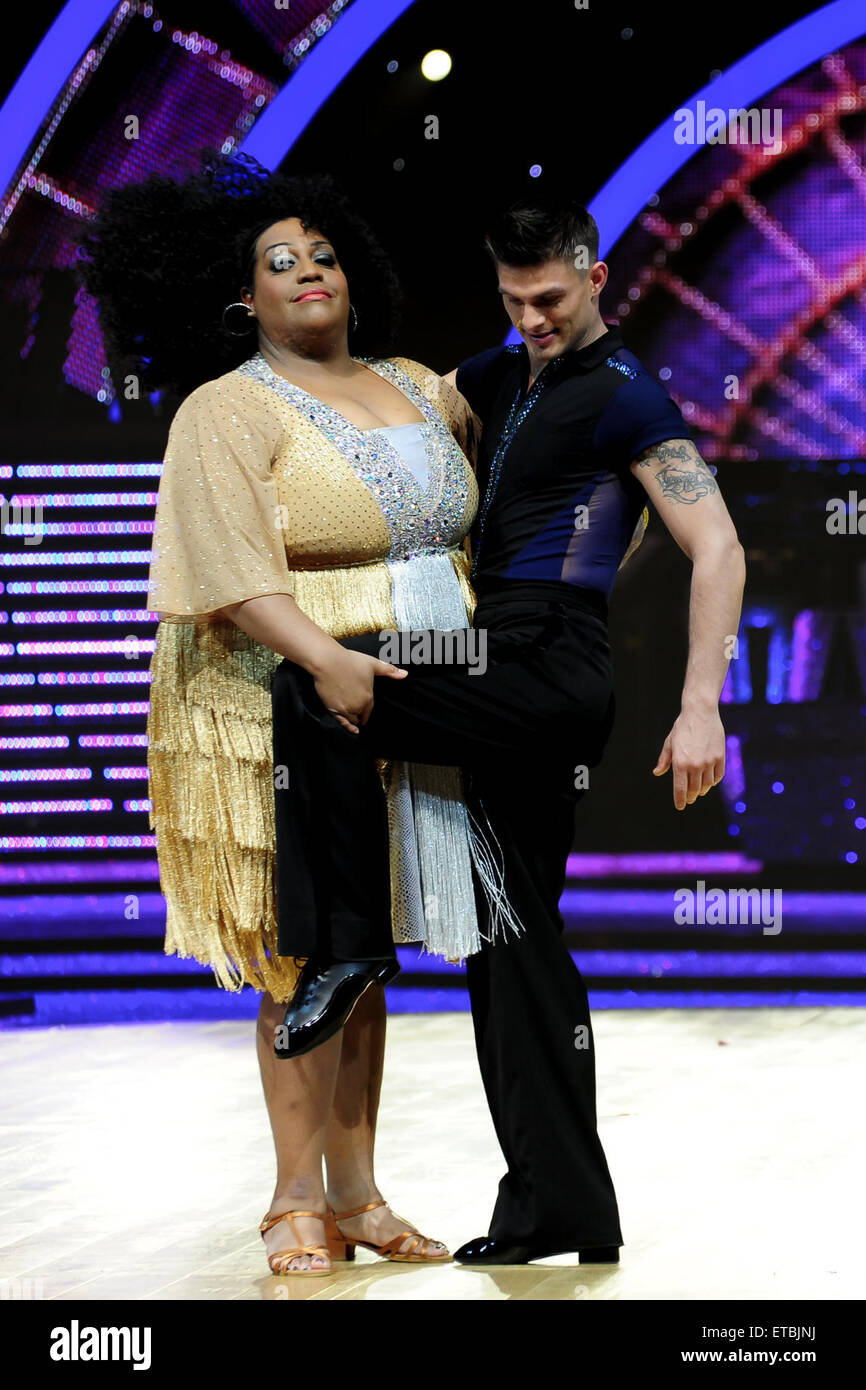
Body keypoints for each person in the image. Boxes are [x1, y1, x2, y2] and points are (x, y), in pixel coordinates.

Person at [271, 195, 747, 1264]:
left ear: (593, 275)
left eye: (548, 297)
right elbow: (387, 411)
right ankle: (559, 1206)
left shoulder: (625, 394)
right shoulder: (497, 376)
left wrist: (698, 703)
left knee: (318, 680)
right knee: (510, 937)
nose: (530, 317)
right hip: (496, 650)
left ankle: (349, 949)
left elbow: (713, 545)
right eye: (510, 299)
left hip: (538, 661)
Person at [77, 149, 493, 1276]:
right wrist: (323, 659)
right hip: (276, 690)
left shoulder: (418, 383)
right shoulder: (227, 408)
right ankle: (291, 1198)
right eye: (278, 261)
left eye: (322, 254)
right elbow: (222, 559)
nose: (307, 269)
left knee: (364, 952)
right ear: (239, 299)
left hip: (411, 680)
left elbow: (491, 498)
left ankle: (357, 1193)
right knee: (301, 949)